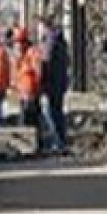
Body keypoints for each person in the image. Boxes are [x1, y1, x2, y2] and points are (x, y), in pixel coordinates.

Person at [37, 16, 71, 155]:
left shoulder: (50, 42)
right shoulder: (60, 41)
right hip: (60, 82)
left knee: (50, 113)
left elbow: (46, 63)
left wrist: (42, 81)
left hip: (52, 84)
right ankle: (60, 141)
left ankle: (58, 142)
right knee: (57, 112)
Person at [12, 26, 43, 133]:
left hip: (31, 93)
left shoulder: (33, 53)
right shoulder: (20, 56)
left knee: (31, 121)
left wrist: (35, 91)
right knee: (25, 120)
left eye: (19, 43)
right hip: (23, 93)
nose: (17, 46)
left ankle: (35, 144)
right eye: (16, 43)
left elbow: (38, 73)